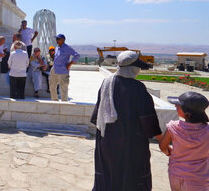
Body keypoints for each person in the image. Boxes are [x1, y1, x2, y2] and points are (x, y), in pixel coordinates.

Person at [91, 50, 162, 191]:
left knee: (109, 173)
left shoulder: (106, 83)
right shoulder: (137, 88)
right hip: (130, 143)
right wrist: (163, 140)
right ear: (133, 68)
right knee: (130, 176)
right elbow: (148, 120)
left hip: (107, 140)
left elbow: (98, 115)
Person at [159, 92, 209, 191]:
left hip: (175, 174)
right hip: (198, 179)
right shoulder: (207, 130)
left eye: (179, 106)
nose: (175, 106)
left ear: (188, 114)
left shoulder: (173, 127)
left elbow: (163, 147)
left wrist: (169, 153)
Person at [49, 34, 80, 102]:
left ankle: (64, 103)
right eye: (56, 39)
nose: (56, 40)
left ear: (63, 40)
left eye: (58, 39)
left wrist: (70, 64)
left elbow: (77, 55)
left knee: (63, 88)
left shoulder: (67, 48)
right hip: (55, 69)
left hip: (63, 71)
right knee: (52, 87)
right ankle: (55, 101)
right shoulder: (57, 47)